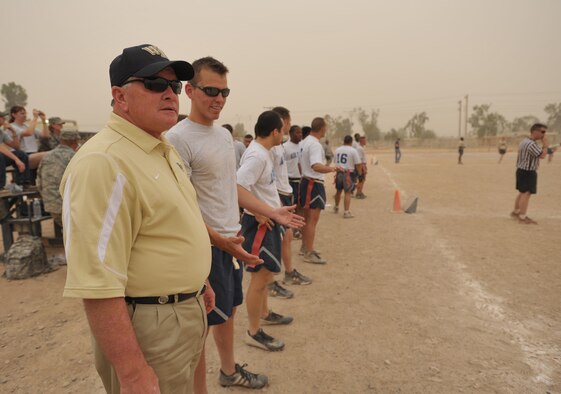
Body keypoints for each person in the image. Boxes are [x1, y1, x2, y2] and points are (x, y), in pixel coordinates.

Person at [60, 44, 213, 394]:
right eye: (155, 84)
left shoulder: (160, 148)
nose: (170, 95)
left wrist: (198, 280)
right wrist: (132, 373)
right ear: (120, 96)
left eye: (174, 86)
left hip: (184, 311)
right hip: (151, 324)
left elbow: (168, 226)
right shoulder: (104, 162)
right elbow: (97, 282)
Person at [167, 57, 303, 392]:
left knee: (228, 312)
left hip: (231, 243)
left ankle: (228, 371)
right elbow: (181, 208)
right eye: (210, 90)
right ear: (190, 90)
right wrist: (218, 241)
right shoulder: (177, 139)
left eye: (224, 92)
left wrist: (272, 212)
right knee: (199, 326)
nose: (219, 98)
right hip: (206, 248)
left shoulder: (222, 138)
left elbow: (232, 191)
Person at [237, 110, 293, 352]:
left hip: (269, 222)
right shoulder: (257, 156)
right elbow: (237, 185)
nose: (285, 134)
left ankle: (265, 312)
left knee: (266, 275)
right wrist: (258, 212)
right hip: (260, 226)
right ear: (274, 132)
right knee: (260, 279)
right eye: (283, 130)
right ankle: (253, 331)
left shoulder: (264, 153)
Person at [270, 107, 311, 298]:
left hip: (285, 193)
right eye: (289, 121)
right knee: (274, 240)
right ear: (283, 121)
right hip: (276, 196)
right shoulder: (271, 147)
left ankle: (288, 272)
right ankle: (270, 282)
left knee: (286, 237)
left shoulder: (280, 146)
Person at [299, 117, 341, 264]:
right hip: (313, 183)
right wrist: (332, 168)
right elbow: (316, 166)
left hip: (306, 181)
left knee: (306, 219)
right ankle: (308, 253)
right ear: (322, 129)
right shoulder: (315, 145)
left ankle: (306, 247)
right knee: (312, 220)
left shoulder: (304, 142)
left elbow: (300, 164)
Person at [37, 130, 80, 226]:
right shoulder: (74, 157)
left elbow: (39, 182)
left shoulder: (47, 156)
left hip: (51, 206)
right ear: (75, 142)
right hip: (69, 207)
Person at [511, 123, 548, 224]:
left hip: (521, 170)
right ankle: (522, 217)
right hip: (528, 171)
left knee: (522, 192)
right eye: (542, 132)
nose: (544, 135)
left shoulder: (524, 141)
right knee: (527, 193)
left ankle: (516, 212)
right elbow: (542, 155)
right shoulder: (531, 144)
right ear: (535, 131)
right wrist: (545, 145)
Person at [8, 106, 49, 170]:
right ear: (14, 115)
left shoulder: (27, 126)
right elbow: (29, 133)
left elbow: (45, 135)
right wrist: (35, 118)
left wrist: (44, 120)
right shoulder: (11, 127)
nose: (25, 115)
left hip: (34, 153)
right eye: (22, 113)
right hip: (23, 155)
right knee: (49, 154)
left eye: (25, 113)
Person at [333, 135, 362, 218]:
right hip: (348, 173)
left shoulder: (337, 150)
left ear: (344, 141)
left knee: (338, 191)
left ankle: (336, 207)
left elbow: (335, 161)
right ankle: (346, 212)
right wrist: (360, 174)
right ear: (351, 142)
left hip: (339, 173)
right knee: (347, 192)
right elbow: (358, 164)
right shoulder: (353, 150)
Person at [0, 111, 29, 189]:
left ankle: (22, 182)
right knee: (0, 156)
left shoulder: (1, 132)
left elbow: (16, 147)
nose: (4, 119)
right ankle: (0, 186)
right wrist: (16, 160)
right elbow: (1, 148)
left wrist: (13, 132)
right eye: (2, 118)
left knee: (21, 154)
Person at [284, 125, 303, 239]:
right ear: (290, 134)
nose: (299, 135)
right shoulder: (285, 147)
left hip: (300, 180)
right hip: (289, 180)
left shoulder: (303, 146)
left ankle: (298, 229)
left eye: (300, 133)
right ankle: (290, 229)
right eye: (297, 133)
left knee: (300, 206)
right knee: (291, 207)